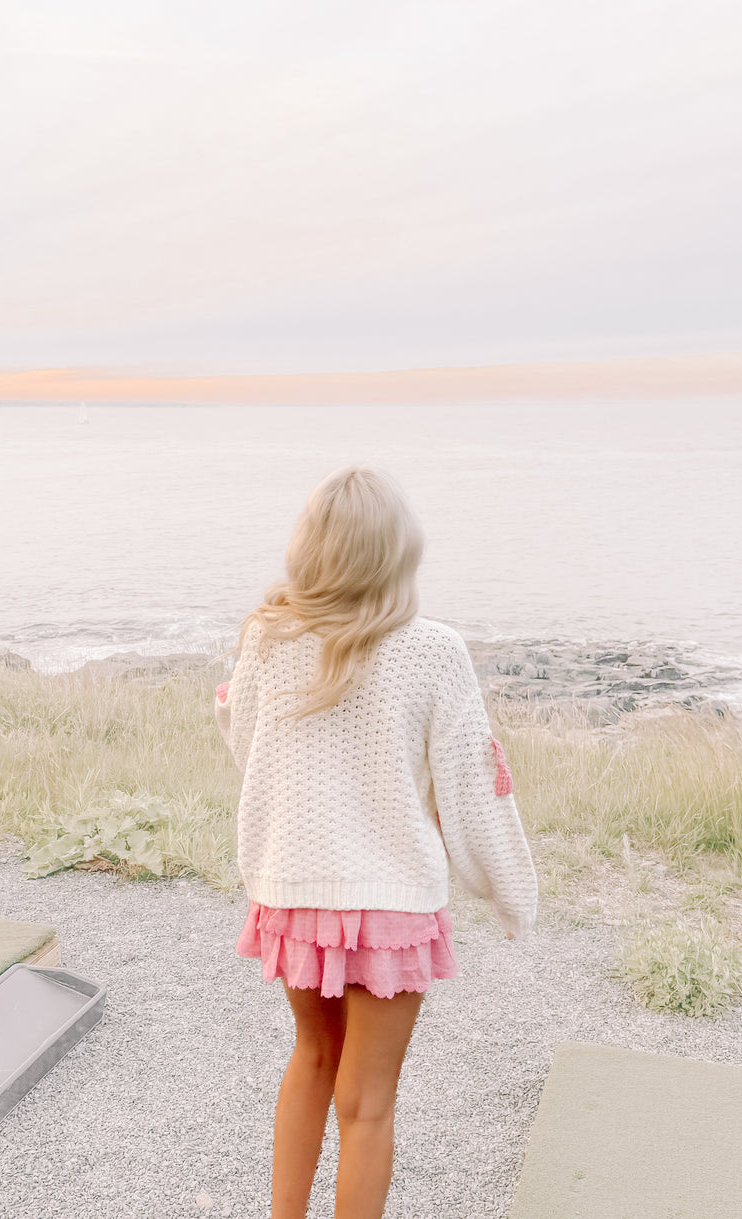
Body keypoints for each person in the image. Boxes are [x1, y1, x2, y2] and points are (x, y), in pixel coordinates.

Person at [214, 464, 538, 1219]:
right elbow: (472, 788)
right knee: (367, 1104)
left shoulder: (269, 637)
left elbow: (251, 747)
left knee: (312, 1059)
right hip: (392, 903)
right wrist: (511, 894)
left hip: (293, 890)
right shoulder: (433, 651)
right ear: (398, 552)